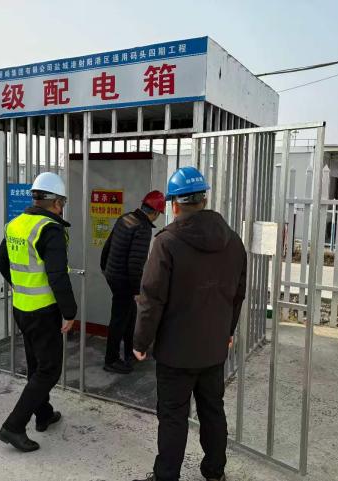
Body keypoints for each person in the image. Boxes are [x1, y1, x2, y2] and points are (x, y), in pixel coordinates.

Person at [132, 167, 247, 481]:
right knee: (212, 410)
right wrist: (227, 332)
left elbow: (152, 298)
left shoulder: (166, 242)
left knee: (173, 416)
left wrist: (141, 342)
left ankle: (166, 476)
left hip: (175, 352)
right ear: (204, 199)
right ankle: (215, 472)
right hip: (213, 349)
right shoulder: (233, 241)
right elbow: (237, 295)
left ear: (174, 205)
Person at [0, 172, 77, 453]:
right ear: (57, 202)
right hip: (43, 311)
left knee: (36, 366)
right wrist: (70, 312)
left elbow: (0, 261)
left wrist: (20, 286)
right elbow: (57, 275)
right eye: (62, 202)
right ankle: (13, 426)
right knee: (49, 370)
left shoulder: (16, 224)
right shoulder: (50, 229)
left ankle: (43, 414)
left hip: (21, 307)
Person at [100, 190, 166, 374]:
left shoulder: (125, 218)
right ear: (155, 212)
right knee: (120, 319)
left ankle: (131, 352)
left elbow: (107, 246)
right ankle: (111, 360)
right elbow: (135, 264)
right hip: (124, 281)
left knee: (130, 316)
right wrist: (137, 291)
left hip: (113, 275)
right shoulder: (143, 228)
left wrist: (105, 269)